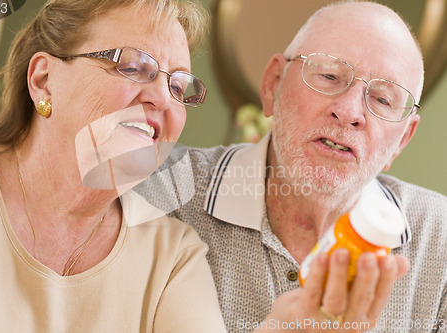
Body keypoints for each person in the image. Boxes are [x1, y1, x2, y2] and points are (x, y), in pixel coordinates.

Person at [163, 1, 447, 332]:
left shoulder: (440, 242)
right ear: (273, 84)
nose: (350, 112)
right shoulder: (165, 196)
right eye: (329, 76)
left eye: (383, 99)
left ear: (402, 140)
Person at [0, 0, 228, 332]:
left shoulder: (172, 259)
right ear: (44, 80)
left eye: (178, 87)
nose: (164, 99)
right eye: (133, 67)